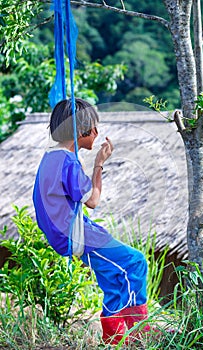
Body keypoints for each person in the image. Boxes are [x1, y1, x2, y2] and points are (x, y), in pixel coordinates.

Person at [32, 98, 152, 345]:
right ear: (80, 131)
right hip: (76, 233)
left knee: (112, 277)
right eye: (94, 128)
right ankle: (138, 331)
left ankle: (114, 338)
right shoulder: (68, 161)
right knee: (135, 262)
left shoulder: (49, 158)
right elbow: (93, 200)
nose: (97, 133)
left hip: (68, 232)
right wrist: (99, 163)